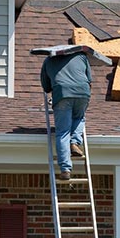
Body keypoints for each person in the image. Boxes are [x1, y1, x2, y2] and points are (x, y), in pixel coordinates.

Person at [40, 52, 92, 181]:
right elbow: (89, 79)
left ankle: (65, 169)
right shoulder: (81, 56)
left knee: (63, 132)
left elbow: (46, 87)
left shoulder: (49, 60)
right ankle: (74, 142)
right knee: (79, 117)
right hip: (83, 91)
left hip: (62, 93)